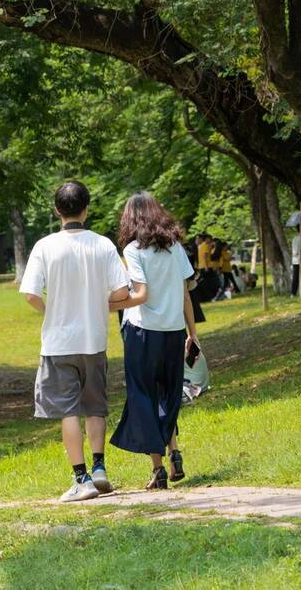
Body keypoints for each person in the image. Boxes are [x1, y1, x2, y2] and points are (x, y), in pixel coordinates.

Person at [20, 180, 130, 503]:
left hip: (58, 342)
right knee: (95, 404)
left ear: (57, 210)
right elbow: (122, 291)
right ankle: (99, 469)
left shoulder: (44, 246)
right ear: (87, 208)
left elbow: (29, 293)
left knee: (68, 409)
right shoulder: (103, 245)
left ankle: (80, 478)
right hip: (94, 338)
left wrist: (49, 310)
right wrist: (97, 303)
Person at [110, 192, 198, 491]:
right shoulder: (175, 248)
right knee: (168, 393)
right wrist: (193, 334)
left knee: (143, 396)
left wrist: (105, 306)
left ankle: (158, 468)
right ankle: (175, 453)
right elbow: (186, 292)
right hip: (174, 331)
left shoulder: (133, 250)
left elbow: (141, 295)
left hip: (143, 332)